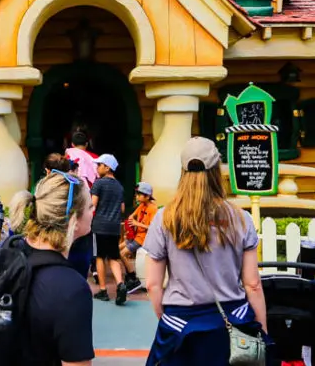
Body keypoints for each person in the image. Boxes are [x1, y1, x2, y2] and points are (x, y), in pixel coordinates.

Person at [144, 137, 269, 365]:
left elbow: (153, 284)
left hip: (180, 323)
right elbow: (253, 284)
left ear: (183, 171)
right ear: (216, 170)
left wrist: (168, 319)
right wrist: (262, 331)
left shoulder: (164, 218)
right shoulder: (241, 218)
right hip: (231, 321)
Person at [7, 171, 96, 366]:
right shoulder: (72, 289)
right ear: (73, 220)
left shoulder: (7, 254)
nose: (93, 210)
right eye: (90, 207)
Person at [90, 154, 126, 304]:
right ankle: (120, 284)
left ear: (107, 167)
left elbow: (92, 205)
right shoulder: (119, 186)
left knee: (100, 257)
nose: (97, 168)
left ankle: (103, 290)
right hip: (114, 227)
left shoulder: (98, 183)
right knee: (114, 257)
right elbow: (122, 209)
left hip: (100, 226)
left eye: (99, 165)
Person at [120, 181, 157, 294]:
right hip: (136, 236)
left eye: (139, 194)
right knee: (117, 250)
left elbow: (153, 228)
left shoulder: (153, 209)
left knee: (122, 254)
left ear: (147, 196)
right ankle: (129, 275)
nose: (136, 196)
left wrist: (137, 224)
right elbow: (132, 216)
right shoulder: (141, 205)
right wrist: (131, 222)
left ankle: (133, 278)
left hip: (143, 239)